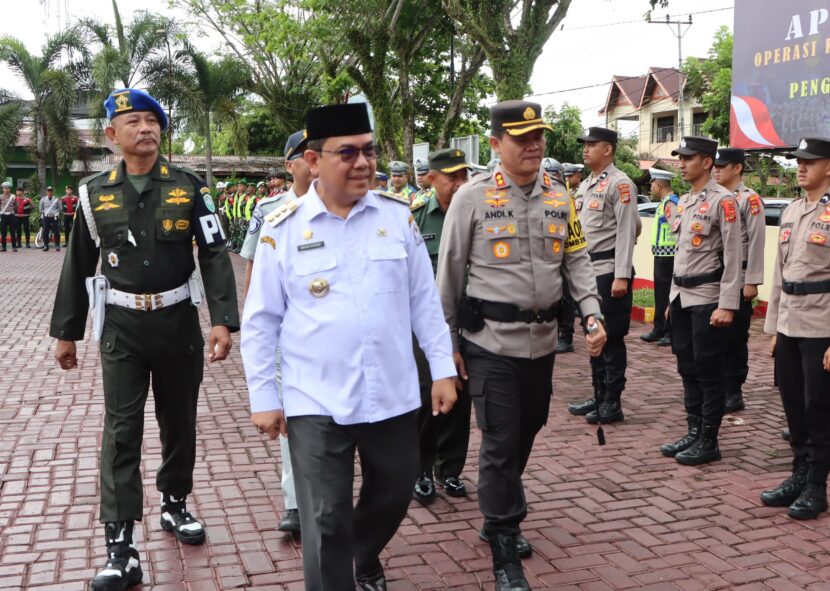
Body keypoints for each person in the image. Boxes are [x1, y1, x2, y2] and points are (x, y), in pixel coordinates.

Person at [241, 103, 457, 591]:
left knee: (396, 491)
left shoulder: (398, 219)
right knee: (324, 517)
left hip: (392, 392)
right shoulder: (283, 228)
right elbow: (260, 321)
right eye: (348, 153)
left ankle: (359, 552)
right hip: (314, 397)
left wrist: (442, 368)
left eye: (370, 151)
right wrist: (264, 397)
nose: (363, 163)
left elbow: (425, 302)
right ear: (314, 160)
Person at [49, 88, 239, 591]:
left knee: (179, 421)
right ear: (112, 135)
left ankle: (175, 504)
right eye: (133, 121)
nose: (146, 128)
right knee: (121, 431)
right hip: (122, 330)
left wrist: (223, 318)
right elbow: (77, 263)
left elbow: (215, 252)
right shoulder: (94, 194)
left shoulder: (190, 186)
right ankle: (120, 545)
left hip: (178, 323)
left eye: (152, 119)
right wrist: (67, 332)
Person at [437, 100, 606, 591]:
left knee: (526, 431)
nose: (534, 145)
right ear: (495, 145)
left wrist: (590, 312)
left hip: (542, 344)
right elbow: (447, 277)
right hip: (489, 344)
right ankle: (505, 549)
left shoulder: (559, 196)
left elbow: (575, 258)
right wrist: (445, 344)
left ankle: (496, 516)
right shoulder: (471, 198)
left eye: (539, 137)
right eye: (521, 138)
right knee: (500, 440)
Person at [239, 129, 314, 536]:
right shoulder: (269, 210)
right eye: (305, 154)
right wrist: (255, 323)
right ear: (290, 165)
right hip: (286, 331)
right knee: (293, 419)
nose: (314, 158)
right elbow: (252, 263)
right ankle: (295, 503)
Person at [659, 136, 742, 466]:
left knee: (708, 370)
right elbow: (682, 253)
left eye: (688, 158)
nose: (681, 162)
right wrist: (670, 299)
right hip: (682, 296)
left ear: (707, 162)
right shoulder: (686, 201)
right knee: (686, 367)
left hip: (708, 297)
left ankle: (709, 439)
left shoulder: (724, 201)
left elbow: (734, 257)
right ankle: (693, 430)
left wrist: (727, 304)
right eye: (681, 157)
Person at [761, 136, 830, 520]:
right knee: (792, 402)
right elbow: (779, 274)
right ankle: (798, 475)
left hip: (822, 322)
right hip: (790, 321)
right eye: (798, 161)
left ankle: (817, 486)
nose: (800, 167)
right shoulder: (790, 211)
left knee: (818, 406)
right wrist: (773, 327)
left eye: (810, 161)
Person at [410, 148, 472, 503]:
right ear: (433, 180)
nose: (460, 184)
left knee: (460, 397)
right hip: (424, 328)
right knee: (425, 396)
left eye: (464, 176)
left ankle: (450, 469)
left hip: (466, 322)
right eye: (453, 178)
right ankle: (420, 467)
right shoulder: (416, 218)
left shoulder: (475, 212)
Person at [571, 127, 641, 425]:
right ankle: (598, 394)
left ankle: (612, 401)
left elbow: (629, 230)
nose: (586, 149)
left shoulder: (620, 184)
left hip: (610, 271)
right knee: (592, 334)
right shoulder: (586, 185)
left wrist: (622, 275)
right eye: (585, 145)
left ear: (608, 149)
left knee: (611, 339)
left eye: (592, 144)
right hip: (589, 271)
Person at [714, 148, 765, 413]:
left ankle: (733, 390)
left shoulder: (749, 200)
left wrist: (752, 280)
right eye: (716, 165)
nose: (716, 169)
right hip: (717, 276)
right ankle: (719, 386)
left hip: (740, 276)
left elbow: (757, 242)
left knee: (734, 338)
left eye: (723, 166)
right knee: (717, 338)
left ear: (737, 168)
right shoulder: (715, 198)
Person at [641, 168, 679, 347]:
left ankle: (669, 331)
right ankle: (659, 328)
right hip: (661, 255)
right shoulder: (664, 203)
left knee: (666, 294)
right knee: (660, 294)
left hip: (668, 256)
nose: (650, 188)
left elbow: (676, 229)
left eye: (652, 184)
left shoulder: (670, 204)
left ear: (658, 184)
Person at [39, 186, 61, 251]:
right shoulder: (43, 199)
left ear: (52, 192)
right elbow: (40, 209)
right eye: (48, 191)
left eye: (51, 191)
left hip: (54, 217)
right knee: (45, 231)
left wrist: (57, 212)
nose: (50, 192)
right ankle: (46, 245)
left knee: (56, 231)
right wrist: (44, 212)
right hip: (46, 217)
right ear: (46, 192)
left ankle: (57, 245)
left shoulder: (56, 199)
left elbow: (60, 208)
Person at [0, 181, 16, 252]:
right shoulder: (0, 197)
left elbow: (16, 205)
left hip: (11, 215)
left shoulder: (13, 197)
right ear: (2, 189)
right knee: (3, 232)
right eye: (4, 188)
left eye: (8, 188)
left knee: (13, 231)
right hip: (3, 215)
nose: (6, 189)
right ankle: (3, 247)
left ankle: (14, 247)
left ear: (10, 189)